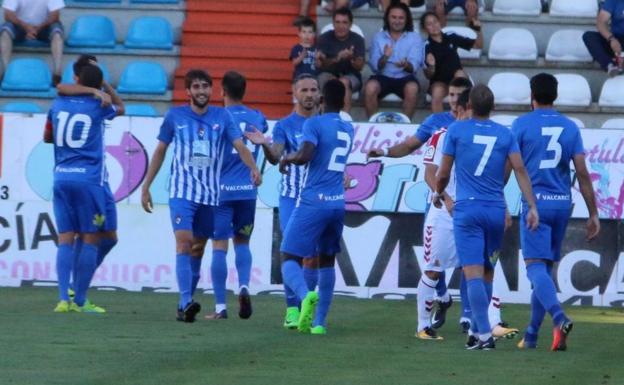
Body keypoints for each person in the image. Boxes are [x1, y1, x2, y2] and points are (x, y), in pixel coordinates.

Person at [140, 69, 262, 323]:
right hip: (182, 192)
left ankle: (183, 305)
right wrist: (146, 185)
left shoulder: (222, 116)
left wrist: (253, 168)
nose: (201, 91)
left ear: (212, 90)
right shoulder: (175, 116)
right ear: (188, 92)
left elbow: (240, 146)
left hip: (210, 195)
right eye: (196, 87)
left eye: (205, 86)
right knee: (184, 242)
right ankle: (186, 300)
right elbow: (161, 150)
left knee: (197, 249)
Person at [433, 84, 539, 350]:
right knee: (488, 273)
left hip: (467, 211)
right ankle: (483, 330)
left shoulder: (456, 130)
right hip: (494, 211)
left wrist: (438, 191)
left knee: (472, 274)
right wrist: (532, 205)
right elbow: (520, 169)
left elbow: (444, 172)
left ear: (468, 105)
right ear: (493, 107)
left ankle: (483, 336)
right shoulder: (505, 134)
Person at [417, 89, 518, 341]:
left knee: (481, 269)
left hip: (472, 211)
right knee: (433, 271)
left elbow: (491, 180)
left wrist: (503, 206)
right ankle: (423, 326)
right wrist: (447, 199)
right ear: (462, 109)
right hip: (444, 214)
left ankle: (486, 324)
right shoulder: (442, 136)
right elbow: (431, 174)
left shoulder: (483, 135)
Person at [512, 73, 600, 351]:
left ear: (531, 96)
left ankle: (559, 317)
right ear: (556, 96)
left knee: (535, 267)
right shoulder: (570, 127)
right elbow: (583, 174)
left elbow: (512, 166)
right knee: (546, 269)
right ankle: (532, 336)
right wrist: (593, 214)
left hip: (535, 205)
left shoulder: (521, 124)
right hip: (562, 203)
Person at [246, 73, 321, 329]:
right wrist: (265, 145)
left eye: (313, 90)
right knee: (290, 251)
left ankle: (304, 310)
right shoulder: (285, 126)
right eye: (305, 90)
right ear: (294, 93)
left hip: (316, 197)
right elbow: (276, 156)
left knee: (312, 257)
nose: (309, 94)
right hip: (291, 196)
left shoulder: (323, 125)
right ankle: (293, 308)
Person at [46, 64, 123, 313]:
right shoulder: (99, 107)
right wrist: (101, 91)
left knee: (66, 237)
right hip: (88, 179)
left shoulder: (57, 104)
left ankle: (62, 300)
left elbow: (48, 136)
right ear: (97, 85)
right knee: (91, 236)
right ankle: (80, 300)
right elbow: (119, 108)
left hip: (61, 176)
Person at [279, 79, 354, 335]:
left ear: (322, 99)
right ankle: (319, 323)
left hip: (313, 200)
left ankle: (304, 296)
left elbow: (306, 155)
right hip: (338, 203)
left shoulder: (313, 123)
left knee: (289, 256)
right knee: (327, 261)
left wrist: (288, 157)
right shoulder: (348, 127)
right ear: (344, 101)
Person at [207, 71, 268, 320]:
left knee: (219, 247)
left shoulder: (218, 117)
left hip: (221, 191)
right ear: (244, 91)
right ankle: (243, 285)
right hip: (247, 191)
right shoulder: (257, 117)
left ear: (222, 91)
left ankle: (221, 307)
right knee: (242, 242)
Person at [364, 2, 423, 120]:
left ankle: (405, 127)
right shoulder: (378, 37)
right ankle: (373, 125)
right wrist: (385, 57)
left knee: (412, 88)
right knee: (370, 87)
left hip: (405, 77)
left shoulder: (415, 37)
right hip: (383, 76)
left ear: (407, 20)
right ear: (387, 18)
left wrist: (406, 65)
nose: (397, 21)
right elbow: (375, 66)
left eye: (401, 18)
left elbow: (414, 67)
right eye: (394, 17)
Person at [420, 11, 482, 113]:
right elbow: (428, 75)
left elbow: (478, 45)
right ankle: (441, 126)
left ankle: (465, 118)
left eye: (435, 22)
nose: (434, 26)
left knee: (460, 73)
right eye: (429, 24)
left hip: (456, 79)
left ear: (439, 22)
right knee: (436, 94)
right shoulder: (426, 46)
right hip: (439, 82)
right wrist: (431, 66)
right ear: (424, 28)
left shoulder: (451, 36)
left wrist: (478, 30)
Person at [1, 0, 65, 84]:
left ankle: (57, 72)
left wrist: (37, 28)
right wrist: (26, 27)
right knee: (5, 31)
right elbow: (8, 15)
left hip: (44, 27)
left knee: (57, 31)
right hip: (19, 27)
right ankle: (5, 71)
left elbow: (55, 15)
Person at [316, 7, 366, 113]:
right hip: (328, 73)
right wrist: (337, 58)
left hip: (351, 76)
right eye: (337, 22)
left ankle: (344, 119)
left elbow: (360, 66)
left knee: (343, 82)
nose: (340, 26)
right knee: (326, 80)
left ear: (350, 24)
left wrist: (351, 57)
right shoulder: (324, 38)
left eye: (344, 22)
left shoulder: (358, 39)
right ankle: (323, 117)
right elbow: (321, 65)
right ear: (333, 23)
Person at [582, 0, 624, 77]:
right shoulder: (614, 1)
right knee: (588, 36)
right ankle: (610, 65)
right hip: (615, 41)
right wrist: (611, 39)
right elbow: (601, 22)